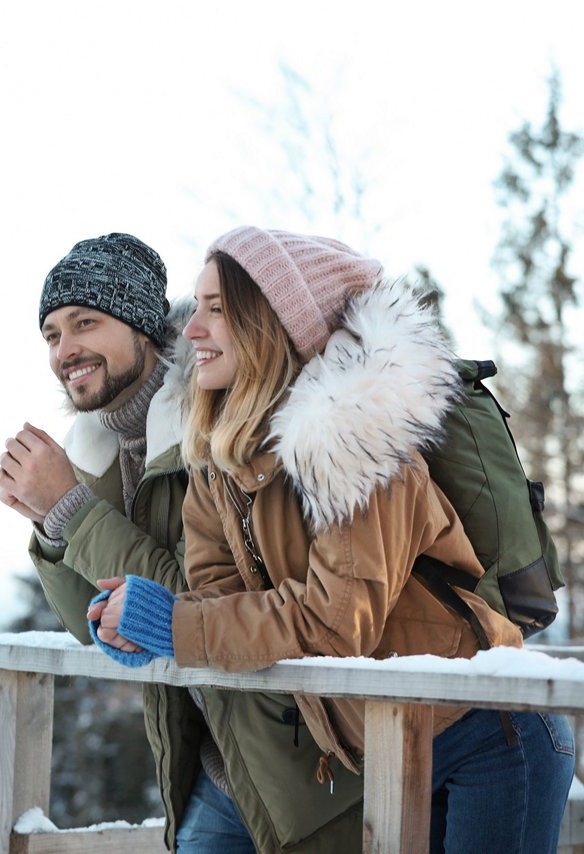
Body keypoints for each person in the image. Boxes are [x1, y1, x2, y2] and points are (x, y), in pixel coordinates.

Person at [89, 226, 576, 853]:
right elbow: (215, 604)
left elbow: (335, 624)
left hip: (491, 742)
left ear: (271, 322)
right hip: (386, 751)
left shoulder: (363, 444)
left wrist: (176, 627)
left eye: (216, 309)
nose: (190, 330)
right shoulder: (217, 464)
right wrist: (156, 625)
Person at [0, 232, 362, 853]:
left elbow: (196, 608)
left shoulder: (215, 426)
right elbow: (92, 622)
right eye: (52, 334)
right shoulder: (102, 453)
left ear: (142, 328)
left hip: (305, 769)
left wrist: (71, 509)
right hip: (215, 767)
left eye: (85, 322)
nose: (66, 349)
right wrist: (51, 520)